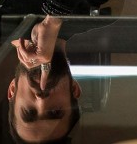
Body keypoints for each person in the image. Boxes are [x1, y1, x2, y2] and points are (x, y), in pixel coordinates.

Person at [9, 15, 82, 143]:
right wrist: (53, 21)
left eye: (29, 112)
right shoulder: (95, 18)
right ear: (74, 89)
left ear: (12, 90)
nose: (41, 100)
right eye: (55, 112)